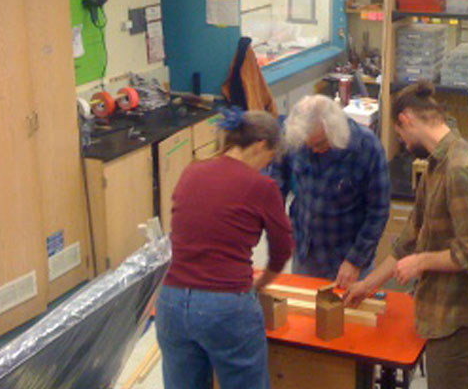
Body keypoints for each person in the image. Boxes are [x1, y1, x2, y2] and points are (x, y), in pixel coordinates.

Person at [344, 81, 468, 389]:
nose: (401, 142)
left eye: (399, 134)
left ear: (405, 120)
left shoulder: (460, 170)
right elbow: (411, 236)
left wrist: (422, 262)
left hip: (459, 318)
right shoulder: (435, 165)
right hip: (440, 312)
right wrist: (367, 284)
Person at [156, 109, 294, 389]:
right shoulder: (262, 186)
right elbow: (282, 250)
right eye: (271, 157)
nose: (268, 165)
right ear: (260, 145)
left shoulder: (192, 171)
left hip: (170, 300)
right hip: (224, 305)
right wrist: (261, 284)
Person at [270, 94, 390, 288]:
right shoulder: (297, 137)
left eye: (320, 144)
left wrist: (356, 261)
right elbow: (277, 175)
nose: (314, 150)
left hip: (348, 256)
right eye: (308, 146)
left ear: (335, 131)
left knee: (350, 316)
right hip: (305, 251)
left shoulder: (367, 148)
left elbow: (379, 211)